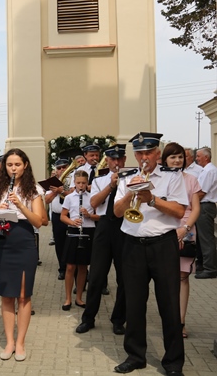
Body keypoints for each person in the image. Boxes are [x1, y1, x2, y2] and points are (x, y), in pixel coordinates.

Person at [112, 132, 187, 376]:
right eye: (140, 153)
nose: (144, 157)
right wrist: (130, 192)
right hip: (132, 244)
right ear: (135, 155)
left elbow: (179, 211)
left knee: (169, 304)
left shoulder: (172, 176)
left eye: (148, 153)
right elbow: (117, 212)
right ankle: (135, 356)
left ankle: (173, 363)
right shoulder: (126, 178)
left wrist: (152, 199)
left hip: (163, 244)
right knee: (134, 304)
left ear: (157, 154)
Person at [0, 148, 44, 362]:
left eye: (17, 165)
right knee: (7, 294)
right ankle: (9, 342)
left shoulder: (33, 189)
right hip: (3, 241)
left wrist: (20, 205)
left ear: (25, 165)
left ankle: (20, 342)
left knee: (23, 294)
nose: (13, 169)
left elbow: (39, 221)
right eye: (9, 165)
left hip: (24, 240)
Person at [76, 145, 127, 335]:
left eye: (119, 159)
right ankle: (88, 318)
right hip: (104, 226)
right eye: (112, 159)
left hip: (125, 226)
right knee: (97, 275)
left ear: (124, 160)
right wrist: (111, 185)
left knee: (124, 277)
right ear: (108, 160)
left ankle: (119, 319)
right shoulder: (99, 180)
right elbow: (94, 203)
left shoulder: (132, 178)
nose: (116, 162)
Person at [162, 143, 201, 339]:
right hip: (164, 229)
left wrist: (185, 229)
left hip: (186, 231)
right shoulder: (159, 179)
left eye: (180, 157)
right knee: (165, 278)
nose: (177, 160)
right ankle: (168, 320)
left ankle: (180, 322)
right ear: (165, 160)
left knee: (183, 277)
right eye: (173, 157)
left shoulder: (191, 179)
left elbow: (196, 208)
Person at [60, 170, 97, 310]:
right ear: (74, 183)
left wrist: (89, 215)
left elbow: (100, 216)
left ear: (87, 183)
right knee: (70, 266)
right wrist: (72, 222)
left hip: (88, 231)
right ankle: (68, 299)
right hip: (74, 230)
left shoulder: (92, 197)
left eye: (83, 183)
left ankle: (79, 298)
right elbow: (63, 216)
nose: (81, 186)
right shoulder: (69, 197)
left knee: (83, 267)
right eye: (78, 183)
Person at [44, 159, 71, 280]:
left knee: (72, 243)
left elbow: (75, 196)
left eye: (64, 167)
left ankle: (75, 270)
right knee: (59, 244)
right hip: (57, 216)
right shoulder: (52, 183)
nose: (62, 170)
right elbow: (47, 200)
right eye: (59, 168)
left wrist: (62, 191)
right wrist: (55, 192)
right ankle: (62, 268)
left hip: (70, 215)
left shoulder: (72, 180)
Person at [194, 147, 217, 279]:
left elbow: (201, 192)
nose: (196, 159)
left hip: (205, 206)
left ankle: (210, 268)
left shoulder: (209, 171)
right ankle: (204, 265)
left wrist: (191, 205)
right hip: (203, 206)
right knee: (202, 238)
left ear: (206, 157)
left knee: (206, 238)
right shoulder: (206, 170)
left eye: (198, 156)